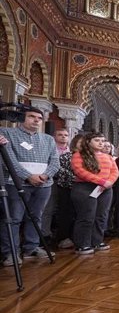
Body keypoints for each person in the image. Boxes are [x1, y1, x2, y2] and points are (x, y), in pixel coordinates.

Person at [0, 107, 59, 267]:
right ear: (22, 118)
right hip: (16, 183)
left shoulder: (48, 139)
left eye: (39, 118)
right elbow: (8, 160)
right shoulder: (7, 134)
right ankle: (10, 252)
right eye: (31, 116)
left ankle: (31, 247)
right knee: (13, 218)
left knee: (36, 216)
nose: (36, 120)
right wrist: (28, 176)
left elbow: (55, 161)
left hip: (44, 184)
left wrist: (45, 176)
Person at [70, 131, 119, 254]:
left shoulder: (107, 156)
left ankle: (97, 241)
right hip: (85, 188)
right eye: (97, 140)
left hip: (106, 189)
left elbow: (115, 171)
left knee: (101, 216)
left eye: (102, 141)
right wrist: (102, 181)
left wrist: (109, 182)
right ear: (88, 142)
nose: (101, 143)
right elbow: (80, 172)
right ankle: (83, 244)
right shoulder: (78, 155)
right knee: (87, 216)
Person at [53, 134, 85, 250]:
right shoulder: (66, 156)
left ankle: (77, 237)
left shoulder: (89, 158)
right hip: (67, 188)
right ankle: (64, 238)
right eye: (81, 143)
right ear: (75, 143)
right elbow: (59, 170)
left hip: (83, 189)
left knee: (80, 214)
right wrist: (76, 177)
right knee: (66, 214)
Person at [41, 128, 70, 243]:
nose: (63, 137)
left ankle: (61, 235)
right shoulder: (49, 149)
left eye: (66, 135)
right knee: (48, 208)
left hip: (66, 183)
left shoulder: (70, 151)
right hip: (51, 180)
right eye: (60, 134)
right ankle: (45, 234)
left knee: (63, 209)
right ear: (54, 136)